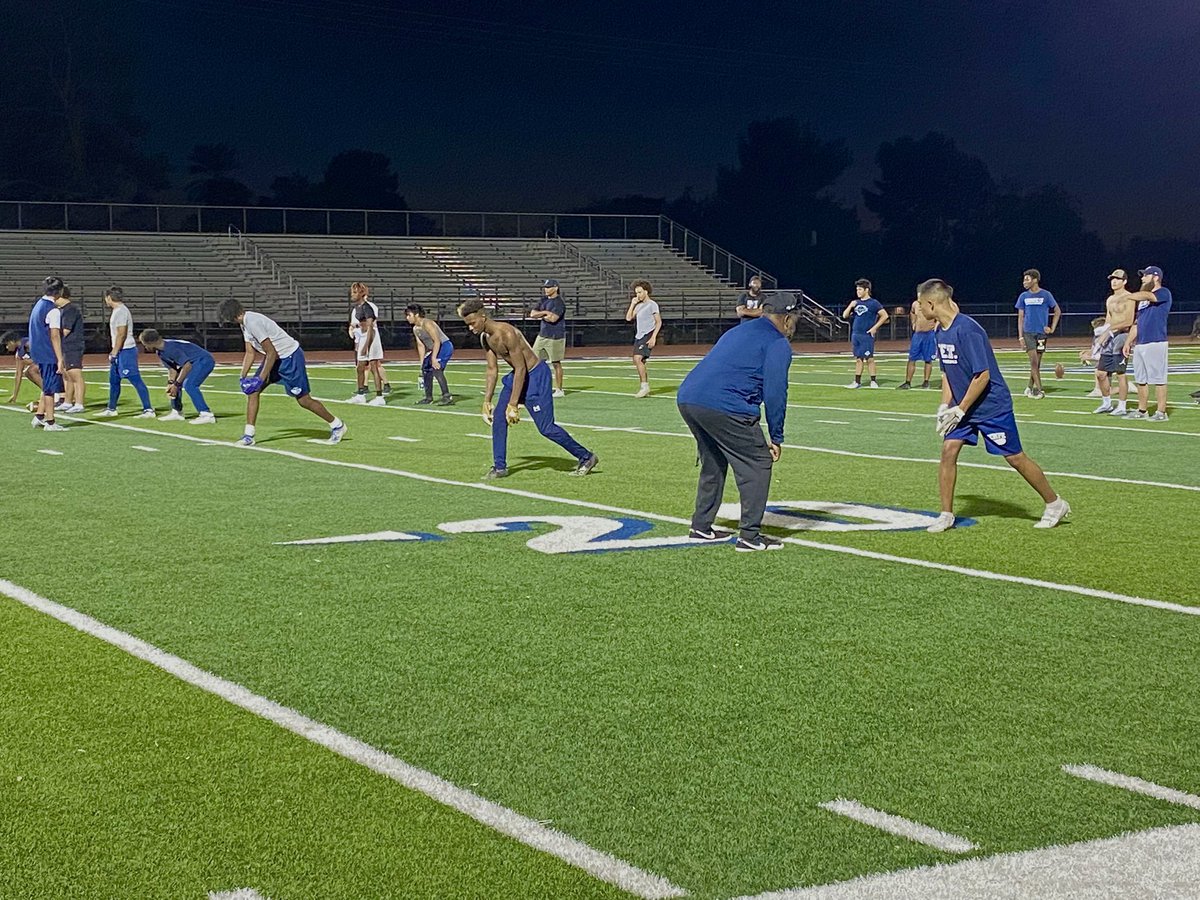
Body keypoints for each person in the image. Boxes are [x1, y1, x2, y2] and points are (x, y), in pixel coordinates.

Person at [917, 278, 1069, 533]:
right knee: (948, 450)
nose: (919, 310)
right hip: (962, 407)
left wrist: (961, 409)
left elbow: (982, 376)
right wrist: (944, 407)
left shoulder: (968, 330)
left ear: (932, 303)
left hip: (990, 406)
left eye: (921, 305)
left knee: (1015, 458)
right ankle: (946, 514)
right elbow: (947, 373)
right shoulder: (938, 331)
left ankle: (1054, 503)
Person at [677, 295, 798, 552]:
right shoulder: (778, 343)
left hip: (688, 397)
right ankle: (749, 537)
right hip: (725, 404)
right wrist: (776, 437)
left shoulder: (738, 331)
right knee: (758, 462)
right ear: (787, 319)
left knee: (714, 460)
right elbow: (776, 393)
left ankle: (701, 526)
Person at [458, 298, 597, 479]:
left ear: (483, 316)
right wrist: (486, 400)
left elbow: (522, 367)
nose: (470, 328)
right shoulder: (485, 338)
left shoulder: (506, 333)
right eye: (467, 325)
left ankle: (586, 457)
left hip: (535, 376)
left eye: (472, 323)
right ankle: (499, 467)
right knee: (499, 419)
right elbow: (492, 370)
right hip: (517, 376)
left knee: (546, 428)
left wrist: (513, 404)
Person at [218, 298, 347, 447]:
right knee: (253, 392)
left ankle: (337, 425)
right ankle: (249, 435)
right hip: (276, 358)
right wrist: (242, 376)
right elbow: (250, 353)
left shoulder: (252, 322)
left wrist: (260, 378)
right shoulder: (245, 324)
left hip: (289, 357)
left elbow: (271, 352)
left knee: (303, 400)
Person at [1121, 266, 1173, 421]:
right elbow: (1137, 323)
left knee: (1158, 379)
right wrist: (1128, 342)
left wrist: (1129, 296)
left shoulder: (1163, 292)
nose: (1142, 278)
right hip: (1141, 343)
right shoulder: (1143, 300)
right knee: (1141, 380)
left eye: (1145, 275)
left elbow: (1148, 295)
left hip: (1156, 341)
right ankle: (1142, 410)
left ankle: (1161, 412)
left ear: (1155, 277)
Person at [94, 287, 155, 419]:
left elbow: (121, 334)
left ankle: (148, 409)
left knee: (134, 378)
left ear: (109, 297)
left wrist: (115, 352)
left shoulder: (121, 311)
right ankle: (111, 408)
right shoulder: (118, 311)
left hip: (125, 350)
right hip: (120, 350)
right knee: (114, 380)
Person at [138, 329, 217, 424]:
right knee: (175, 385)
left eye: (145, 344)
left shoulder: (170, 348)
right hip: (194, 362)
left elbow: (187, 366)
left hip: (204, 360)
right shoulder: (161, 351)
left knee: (189, 385)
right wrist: (171, 383)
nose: (145, 347)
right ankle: (177, 412)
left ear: (150, 342)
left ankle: (206, 414)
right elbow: (172, 369)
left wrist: (176, 384)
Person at [27, 277, 68, 431]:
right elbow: (55, 335)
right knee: (50, 388)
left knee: (46, 385)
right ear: (60, 291)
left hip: (38, 349)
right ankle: (50, 422)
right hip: (47, 351)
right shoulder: (53, 310)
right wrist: (59, 358)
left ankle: (39, 416)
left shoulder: (38, 304)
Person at [1014, 268, 1060, 399]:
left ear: (1035, 280)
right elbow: (1020, 317)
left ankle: (1029, 387)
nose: (1024, 282)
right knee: (1034, 362)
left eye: (1027, 279)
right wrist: (1021, 336)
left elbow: (1057, 311)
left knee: (1037, 363)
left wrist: (1052, 328)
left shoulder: (1046, 295)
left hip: (1041, 334)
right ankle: (1039, 390)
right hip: (1028, 333)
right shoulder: (1023, 296)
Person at [347, 282, 389, 406]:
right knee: (360, 367)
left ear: (361, 294)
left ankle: (379, 397)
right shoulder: (357, 308)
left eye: (355, 292)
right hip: (363, 336)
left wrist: (366, 345)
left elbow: (371, 327)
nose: (352, 295)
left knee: (373, 366)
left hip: (372, 337)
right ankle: (361, 394)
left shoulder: (367, 307)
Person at [841, 278, 888, 388]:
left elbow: (885, 315)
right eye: (857, 289)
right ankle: (857, 382)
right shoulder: (855, 303)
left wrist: (874, 328)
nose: (858, 292)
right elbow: (844, 316)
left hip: (866, 335)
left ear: (866, 290)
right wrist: (851, 306)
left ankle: (873, 381)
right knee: (858, 359)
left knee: (869, 358)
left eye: (860, 289)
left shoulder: (874, 303)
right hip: (856, 334)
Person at [405, 304, 454, 405]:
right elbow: (421, 346)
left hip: (444, 346)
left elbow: (437, 341)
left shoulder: (427, 323)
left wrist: (434, 358)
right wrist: (422, 362)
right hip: (436, 348)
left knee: (436, 369)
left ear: (417, 314)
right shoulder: (415, 329)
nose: (407, 318)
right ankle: (428, 397)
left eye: (409, 315)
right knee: (425, 369)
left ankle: (447, 396)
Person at [529, 278, 567, 397]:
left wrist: (543, 315)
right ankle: (537, 387)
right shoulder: (543, 300)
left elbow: (553, 319)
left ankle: (559, 389)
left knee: (556, 363)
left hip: (555, 336)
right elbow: (532, 314)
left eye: (549, 287)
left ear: (556, 288)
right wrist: (545, 313)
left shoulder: (559, 302)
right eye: (545, 287)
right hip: (542, 335)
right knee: (534, 361)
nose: (546, 289)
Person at [625, 279, 662, 398]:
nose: (638, 295)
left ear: (646, 291)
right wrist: (632, 304)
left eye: (640, 292)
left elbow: (658, 322)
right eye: (636, 293)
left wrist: (653, 337)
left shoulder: (652, 305)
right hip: (639, 335)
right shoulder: (639, 306)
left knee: (638, 358)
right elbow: (628, 318)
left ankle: (644, 387)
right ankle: (644, 385)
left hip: (648, 334)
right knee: (639, 361)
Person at [55, 286, 86, 413]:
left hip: (73, 345)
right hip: (66, 346)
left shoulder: (70, 309)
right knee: (66, 375)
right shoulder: (63, 310)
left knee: (75, 375)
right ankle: (68, 401)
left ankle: (79, 403)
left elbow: (66, 330)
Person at [898, 293, 936, 389]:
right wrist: (913, 323)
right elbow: (912, 312)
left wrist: (935, 327)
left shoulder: (932, 305)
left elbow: (939, 317)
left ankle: (926, 382)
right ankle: (907, 382)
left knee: (928, 359)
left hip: (929, 334)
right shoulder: (915, 304)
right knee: (912, 358)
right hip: (918, 335)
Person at [2, 331, 43, 403]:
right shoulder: (19, 354)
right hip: (42, 365)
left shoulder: (29, 343)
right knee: (27, 372)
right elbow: (18, 374)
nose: (7, 347)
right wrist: (14, 395)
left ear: (11, 342)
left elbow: (43, 355)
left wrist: (31, 361)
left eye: (7, 344)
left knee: (31, 370)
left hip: (49, 363)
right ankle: (46, 391)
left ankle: (50, 393)